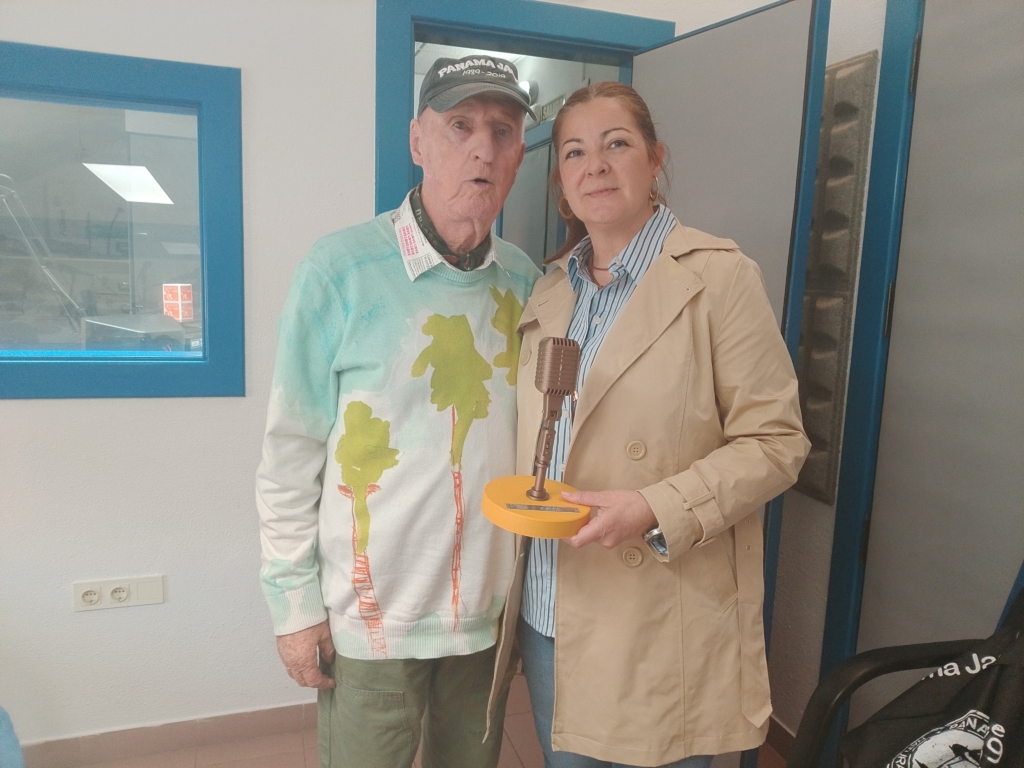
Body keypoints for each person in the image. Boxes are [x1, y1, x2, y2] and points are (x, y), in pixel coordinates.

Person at [505, 82, 810, 767]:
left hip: (657, 614)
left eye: (616, 144)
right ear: (561, 183)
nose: (595, 165)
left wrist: (653, 506)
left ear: (654, 159)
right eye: (575, 152)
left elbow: (777, 442)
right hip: (552, 610)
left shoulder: (719, 279)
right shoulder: (549, 290)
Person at [255, 55, 540, 768]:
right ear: (418, 141)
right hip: (371, 620)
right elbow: (290, 453)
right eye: (460, 126)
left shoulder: (529, 284)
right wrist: (294, 608)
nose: (483, 149)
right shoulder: (341, 271)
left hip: (485, 615)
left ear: (518, 155)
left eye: (503, 131)